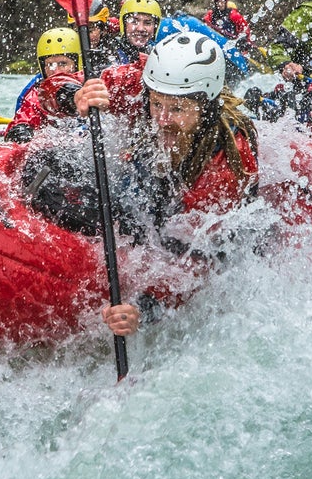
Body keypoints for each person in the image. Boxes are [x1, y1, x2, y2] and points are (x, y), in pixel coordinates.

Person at [69, 32, 260, 336]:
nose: (163, 119)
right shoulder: (143, 85)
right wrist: (74, 95)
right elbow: (64, 79)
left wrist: (145, 309)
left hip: (211, 232)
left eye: (179, 110)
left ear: (205, 109)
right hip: (156, 181)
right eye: (157, 105)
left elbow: (196, 263)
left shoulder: (224, 170)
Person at [5, 28, 84, 142]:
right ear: (43, 67)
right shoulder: (37, 95)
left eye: (63, 63)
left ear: (77, 63)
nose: (56, 71)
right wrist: (22, 129)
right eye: (50, 64)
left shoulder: (95, 84)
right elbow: (27, 115)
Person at [68, 0, 115, 74]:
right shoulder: (64, 55)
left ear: (103, 30)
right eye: (77, 31)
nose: (83, 36)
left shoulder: (113, 57)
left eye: (90, 30)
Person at [112, 0, 162, 64]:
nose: (140, 28)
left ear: (155, 27)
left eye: (147, 23)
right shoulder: (110, 53)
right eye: (134, 22)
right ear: (124, 24)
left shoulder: (158, 55)